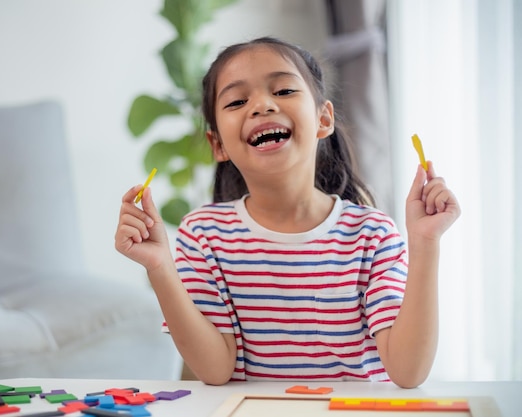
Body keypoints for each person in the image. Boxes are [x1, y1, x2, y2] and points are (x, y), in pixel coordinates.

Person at [115, 37, 460, 388]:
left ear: (323, 119)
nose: (262, 105)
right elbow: (215, 370)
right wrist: (159, 268)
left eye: (282, 91)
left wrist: (425, 243)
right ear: (217, 144)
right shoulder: (203, 234)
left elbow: (408, 371)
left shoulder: (373, 235)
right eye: (237, 100)